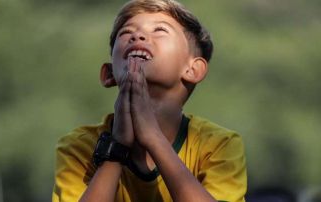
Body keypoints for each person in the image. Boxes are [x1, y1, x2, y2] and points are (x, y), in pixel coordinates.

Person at [52, 0, 247, 201]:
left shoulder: (218, 144)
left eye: (160, 30)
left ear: (193, 70)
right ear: (108, 73)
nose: (137, 36)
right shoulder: (79, 147)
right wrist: (116, 149)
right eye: (126, 32)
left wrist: (153, 138)